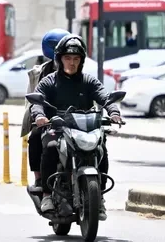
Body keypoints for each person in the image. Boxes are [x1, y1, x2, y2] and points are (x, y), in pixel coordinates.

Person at [31, 35, 122, 219]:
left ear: (81, 61)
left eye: (76, 59)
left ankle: (100, 196)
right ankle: (47, 194)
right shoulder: (50, 81)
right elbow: (37, 100)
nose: (71, 63)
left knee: (100, 150)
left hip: (84, 130)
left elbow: (104, 97)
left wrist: (114, 112)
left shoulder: (88, 81)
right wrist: (40, 115)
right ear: (59, 59)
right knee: (50, 148)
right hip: (58, 129)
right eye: (67, 58)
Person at [21, 29, 70, 184]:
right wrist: (39, 116)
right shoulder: (42, 75)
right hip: (48, 120)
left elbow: (95, 95)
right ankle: (40, 181)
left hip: (74, 121)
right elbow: (34, 101)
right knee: (35, 137)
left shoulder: (80, 74)